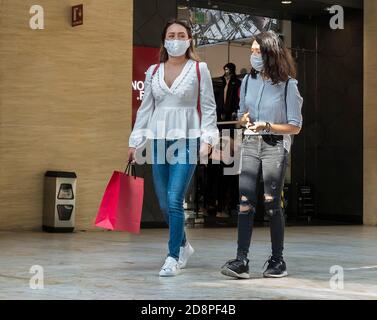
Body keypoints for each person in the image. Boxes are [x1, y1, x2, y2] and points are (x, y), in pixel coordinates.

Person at [128, 19, 219, 277]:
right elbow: (145, 110)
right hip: (158, 141)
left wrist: (208, 139)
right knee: (165, 204)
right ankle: (184, 245)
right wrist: (135, 142)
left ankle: (172, 257)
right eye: (171, 35)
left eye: (181, 35)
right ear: (164, 40)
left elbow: (209, 107)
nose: (176, 39)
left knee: (174, 199)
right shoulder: (153, 71)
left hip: (187, 139)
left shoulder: (199, 69)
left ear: (189, 40)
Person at [221, 30, 303, 279]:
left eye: (259, 51)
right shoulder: (248, 81)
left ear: (271, 53)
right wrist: (243, 119)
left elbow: (295, 126)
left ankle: (278, 260)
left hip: (274, 145)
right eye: (252, 51)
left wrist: (267, 125)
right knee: (245, 202)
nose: (254, 56)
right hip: (250, 144)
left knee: (271, 202)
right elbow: (241, 116)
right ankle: (241, 260)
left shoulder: (288, 84)